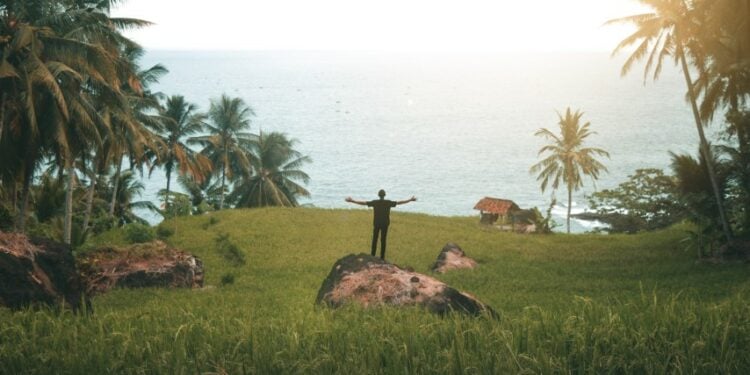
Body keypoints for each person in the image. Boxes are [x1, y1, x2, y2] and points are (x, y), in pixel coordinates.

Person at [345, 190, 417, 260]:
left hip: (377, 223)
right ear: (384, 195)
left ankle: (372, 256)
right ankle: (382, 258)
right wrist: (410, 200)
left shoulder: (375, 202)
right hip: (385, 223)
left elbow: (364, 203)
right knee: (383, 240)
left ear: (378, 195)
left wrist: (352, 201)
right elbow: (399, 202)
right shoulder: (388, 203)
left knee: (375, 239)